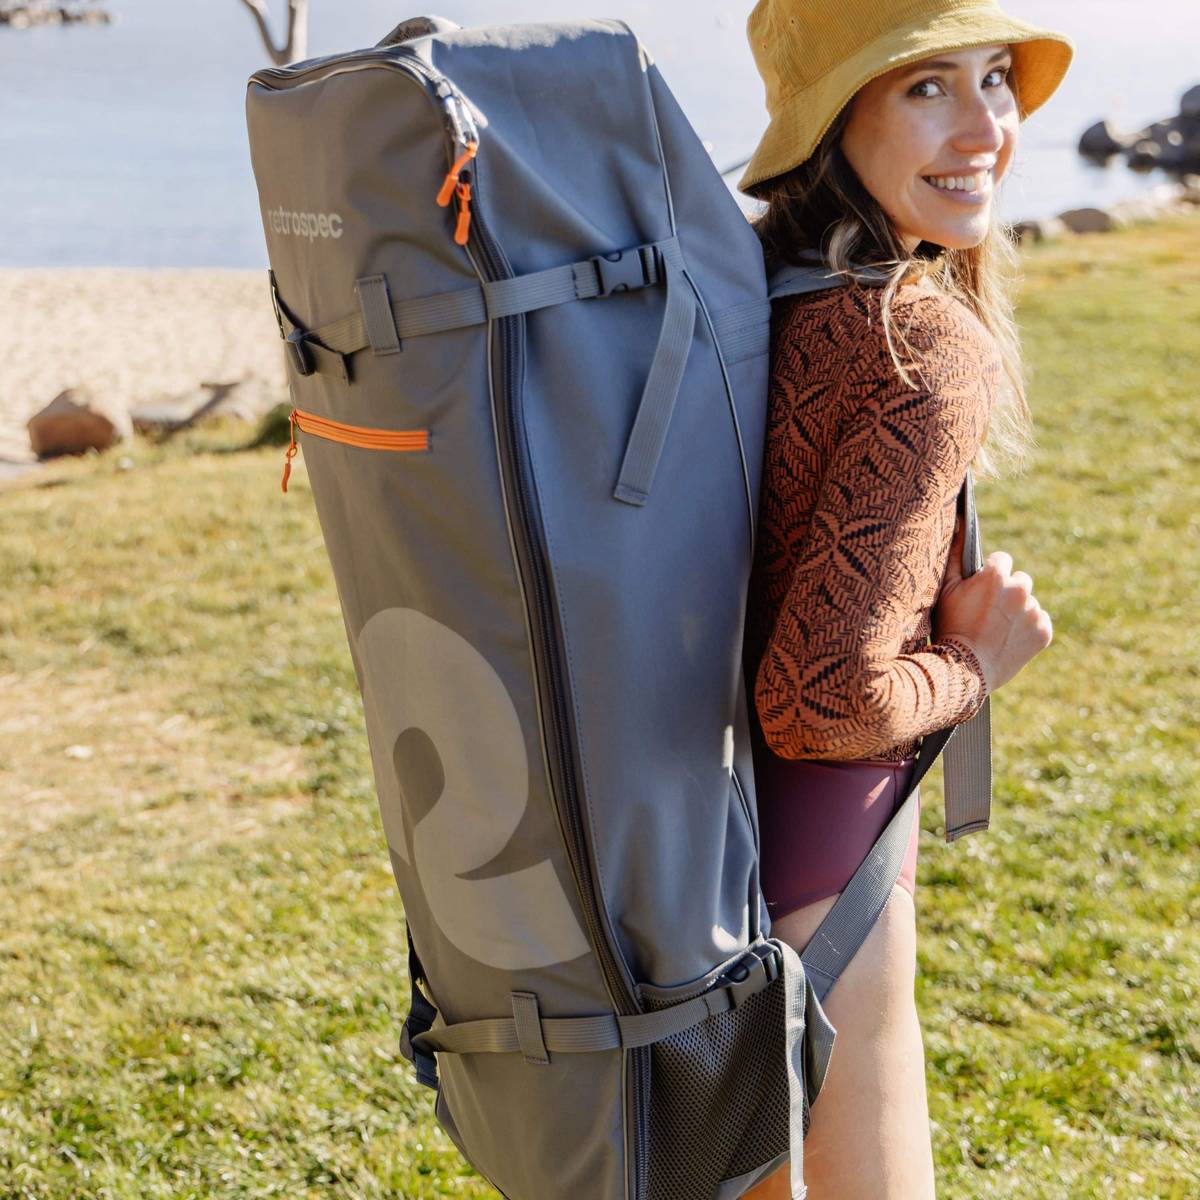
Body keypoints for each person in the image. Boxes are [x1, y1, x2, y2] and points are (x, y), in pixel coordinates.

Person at [735, 2, 1072, 1196]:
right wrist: (977, 663)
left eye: (995, 79)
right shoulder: (920, 343)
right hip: (824, 893)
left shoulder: (748, 287)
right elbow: (825, 698)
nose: (987, 124)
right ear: (837, 123)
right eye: (927, 86)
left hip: (677, 862)